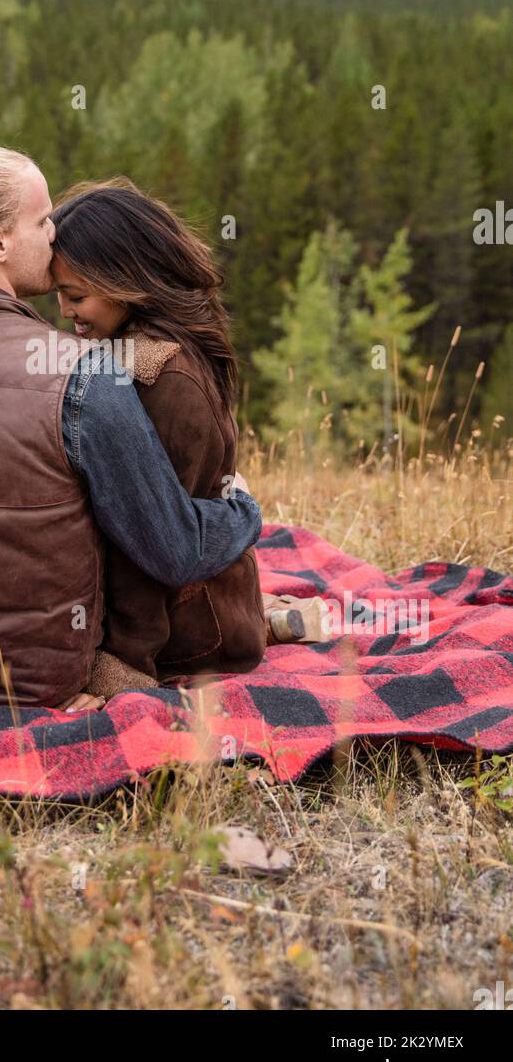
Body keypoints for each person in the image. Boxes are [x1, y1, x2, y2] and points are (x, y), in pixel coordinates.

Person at [0, 142, 265, 712]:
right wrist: (243, 510)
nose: (55, 234)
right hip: (36, 675)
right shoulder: (83, 375)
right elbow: (173, 550)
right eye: (42, 221)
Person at [50, 178, 327, 701]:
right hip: (201, 608)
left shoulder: (162, 382)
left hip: (192, 637)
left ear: (124, 281)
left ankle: (252, 624)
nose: (65, 311)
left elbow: (151, 545)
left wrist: (124, 664)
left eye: (75, 295)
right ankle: (265, 617)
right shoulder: (143, 355)